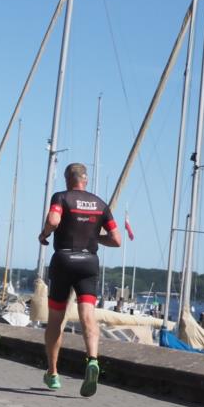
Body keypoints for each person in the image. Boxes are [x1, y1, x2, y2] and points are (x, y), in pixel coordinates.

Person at [37, 163, 121, 395]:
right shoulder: (100, 204)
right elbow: (116, 239)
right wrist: (95, 236)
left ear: (67, 179)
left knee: (56, 319)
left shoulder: (61, 197)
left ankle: (53, 374)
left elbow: (54, 221)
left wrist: (44, 234)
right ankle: (92, 359)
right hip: (88, 262)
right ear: (86, 179)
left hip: (64, 260)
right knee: (87, 315)